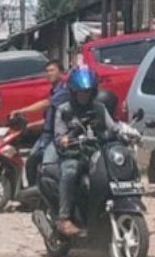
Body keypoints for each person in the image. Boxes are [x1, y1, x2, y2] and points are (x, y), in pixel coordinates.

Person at [53, 66, 115, 237]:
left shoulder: (99, 108)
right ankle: (64, 218)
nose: (84, 96)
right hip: (74, 154)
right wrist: (63, 139)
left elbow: (113, 126)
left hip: (96, 153)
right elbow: (58, 135)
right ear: (73, 92)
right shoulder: (64, 110)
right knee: (70, 171)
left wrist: (125, 132)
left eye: (87, 92)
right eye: (80, 92)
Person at [10, 59, 66, 183]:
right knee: (31, 162)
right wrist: (30, 126)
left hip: (55, 137)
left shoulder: (63, 91)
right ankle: (33, 195)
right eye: (47, 71)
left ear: (61, 73)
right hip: (45, 135)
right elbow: (47, 120)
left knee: (45, 166)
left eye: (52, 70)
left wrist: (21, 111)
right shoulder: (53, 91)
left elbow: (46, 104)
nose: (49, 73)